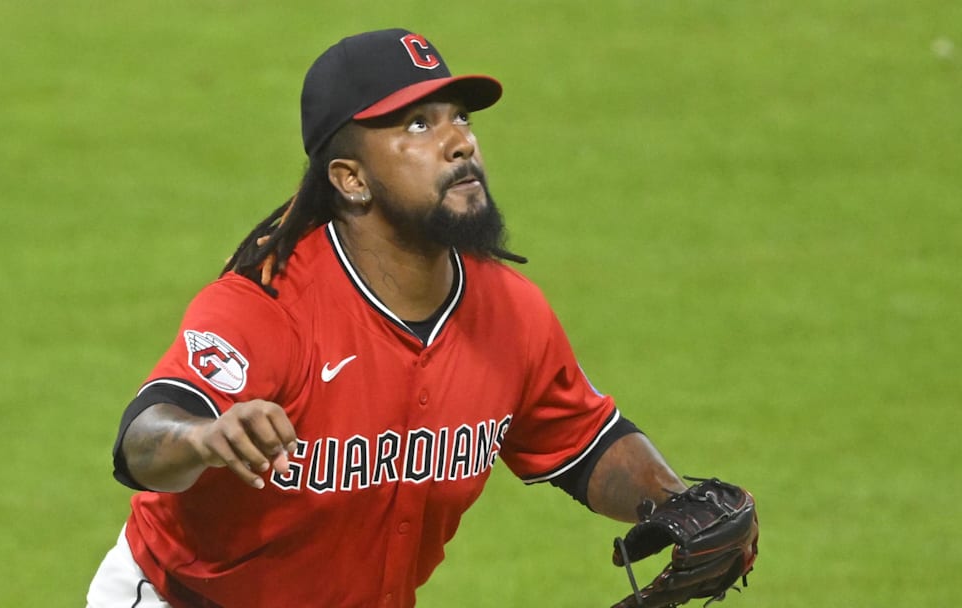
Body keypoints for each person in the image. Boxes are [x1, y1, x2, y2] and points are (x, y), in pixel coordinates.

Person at [87, 28, 695, 608]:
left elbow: (587, 443)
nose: (459, 141)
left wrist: (678, 502)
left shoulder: (510, 311)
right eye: (418, 124)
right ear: (351, 180)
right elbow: (142, 442)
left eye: (460, 116)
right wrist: (202, 437)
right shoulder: (269, 304)